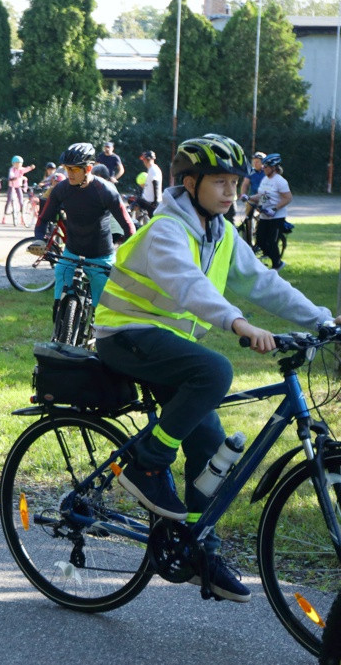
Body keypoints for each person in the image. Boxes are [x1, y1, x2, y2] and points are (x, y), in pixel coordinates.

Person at [94, 133, 340, 603]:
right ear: (190, 183)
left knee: (212, 454)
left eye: (235, 183)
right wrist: (238, 323)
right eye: (220, 183)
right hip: (124, 336)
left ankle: (194, 547)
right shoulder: (167, 229)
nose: (231, 192)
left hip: (168, 349)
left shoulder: (221, 232)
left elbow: (264, 282)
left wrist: (322, 320)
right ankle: (146, 465)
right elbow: (188, 286)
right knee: (215, 370)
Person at [34, 142, 135, 317]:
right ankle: (59, 324)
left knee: (103, 311)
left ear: (88, 169)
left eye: (74, 169)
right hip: (72, 251)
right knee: (60, 276)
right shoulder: (61, 189)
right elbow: (43, 218)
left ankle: (98, 334)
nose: (68, 174)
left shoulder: (105, 191)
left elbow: (127, 225)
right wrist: (40, 239)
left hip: (101, 255)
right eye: (67, 168)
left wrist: (131, 252)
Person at [251, 153, 291, 271]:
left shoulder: (280, 181)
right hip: (264, 216)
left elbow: (288, 198)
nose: (263, 168)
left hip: (276, 217)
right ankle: (275, 261)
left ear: (274, 167)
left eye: (266, 166)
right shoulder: (265, 179)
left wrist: (274, 209)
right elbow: (263, 195)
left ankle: (277, 264)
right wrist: (250, 198)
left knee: (271, 242)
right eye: (263, 166)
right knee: (260, 241)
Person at [0, 155, 35, 226]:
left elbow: (26, 169)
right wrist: (14, 177)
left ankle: (22, 217)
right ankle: (4, 215)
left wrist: (31, 167)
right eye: (17, 163)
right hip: (11, 186)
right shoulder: (12, 169)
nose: (18, 165)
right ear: (13, 164)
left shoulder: (21, 169)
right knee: (9, 199)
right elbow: (11, 175)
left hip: (18, 186)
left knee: (21, 200)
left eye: (20, 163)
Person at [139, 149, 162, 216]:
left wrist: (155, 201)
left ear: (146, 160)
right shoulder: (151, 169)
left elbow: (156, 184)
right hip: (148, 201)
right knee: (136, 201)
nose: (144, 162)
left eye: (144, 160)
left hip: (152, 202)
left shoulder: (153, 169)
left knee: (153, 222)